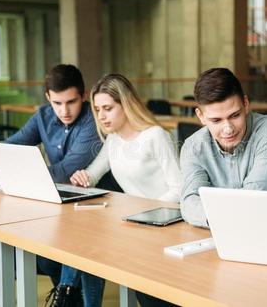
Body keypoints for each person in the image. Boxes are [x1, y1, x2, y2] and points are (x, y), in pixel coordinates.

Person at [47, 73, 182, 307]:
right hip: (136, 225)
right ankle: (68, 294)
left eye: (108, 108)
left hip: (164, 223)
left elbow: (180, 189)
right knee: (84, 238)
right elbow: (93, 173)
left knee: (90, 240)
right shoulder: (114, 139)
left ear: (126, 105)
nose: (101, 116)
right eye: (98, 109)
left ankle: (66, 294)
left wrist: (143, 213)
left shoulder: (155, 137)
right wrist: (83, 177)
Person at [5, 64, 102, 287]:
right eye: (57, 103)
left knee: (50, 255)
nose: (64, 110)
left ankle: (69, 294)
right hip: (55, 200)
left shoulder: (92, 120)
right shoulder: (43, 115)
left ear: (84, 96)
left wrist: (21, 174)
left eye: (71, 102)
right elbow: (14, 144)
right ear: (48, 97)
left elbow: (65, 170)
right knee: (30, 249)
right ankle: (66, 293)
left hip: (89, 205)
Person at [180, 67, 267, 228]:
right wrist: (226, 217)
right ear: (201, 116)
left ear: (246, 104)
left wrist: (213, 213)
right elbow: (189, 203)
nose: (228, 129)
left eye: (235, 115)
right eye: (216, 121)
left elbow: (251, 199)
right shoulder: (193, 146)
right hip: (218, 236)